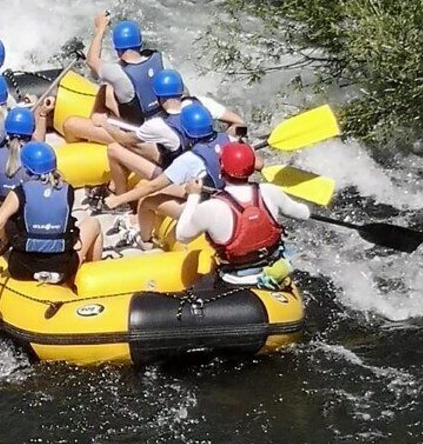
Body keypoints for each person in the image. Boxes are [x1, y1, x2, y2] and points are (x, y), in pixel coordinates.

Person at [103, 103, 257, 245]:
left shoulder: (190, 159)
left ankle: (145, 242)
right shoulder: (230, 140)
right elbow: (259, 163)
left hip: (204, 207)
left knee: (146, 202)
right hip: (230, 200)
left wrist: (118, 200)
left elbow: (153, 186)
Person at [175, 141, 311, 288]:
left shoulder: (211, 207)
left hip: (234, 281)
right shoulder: (270, 191)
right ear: (252, 168)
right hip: (274, 274)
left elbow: (182, 236)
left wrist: (193, 196)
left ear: (221, 168)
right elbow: (304, 214)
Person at [101, 69, 246, 195]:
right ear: (181, 90)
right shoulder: (202, 103)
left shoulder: (158, 125)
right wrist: (228, 142)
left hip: (177, 179)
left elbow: (125, 139)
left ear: (157, 96)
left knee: (114, 149)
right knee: (154, 148)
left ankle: (119, 197)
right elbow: (241, 123)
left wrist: (104, 124)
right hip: (208, 169)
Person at [0, 142, 103, 284]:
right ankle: (88, 279)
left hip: (22, 268)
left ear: (26, 168)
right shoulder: (68, 190)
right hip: (61, 266)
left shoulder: (19, 193)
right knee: (94, 224)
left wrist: (6, 240)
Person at [62, 12, 167, 144]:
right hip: (160, 125)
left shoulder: (118, 74)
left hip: (137, 138)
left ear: (117, 50)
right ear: (139, 44)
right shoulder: (160, 59)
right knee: (107, 90)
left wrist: (100, 28)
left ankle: (84, 148)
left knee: (70, 124)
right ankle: (97, 118)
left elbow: (91, 60)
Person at [0, 103, 53, 201]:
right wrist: (42, 115)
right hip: (26, 214)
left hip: (0, 210)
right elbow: (39, 142)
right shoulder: (40, 159)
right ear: (31, 131)